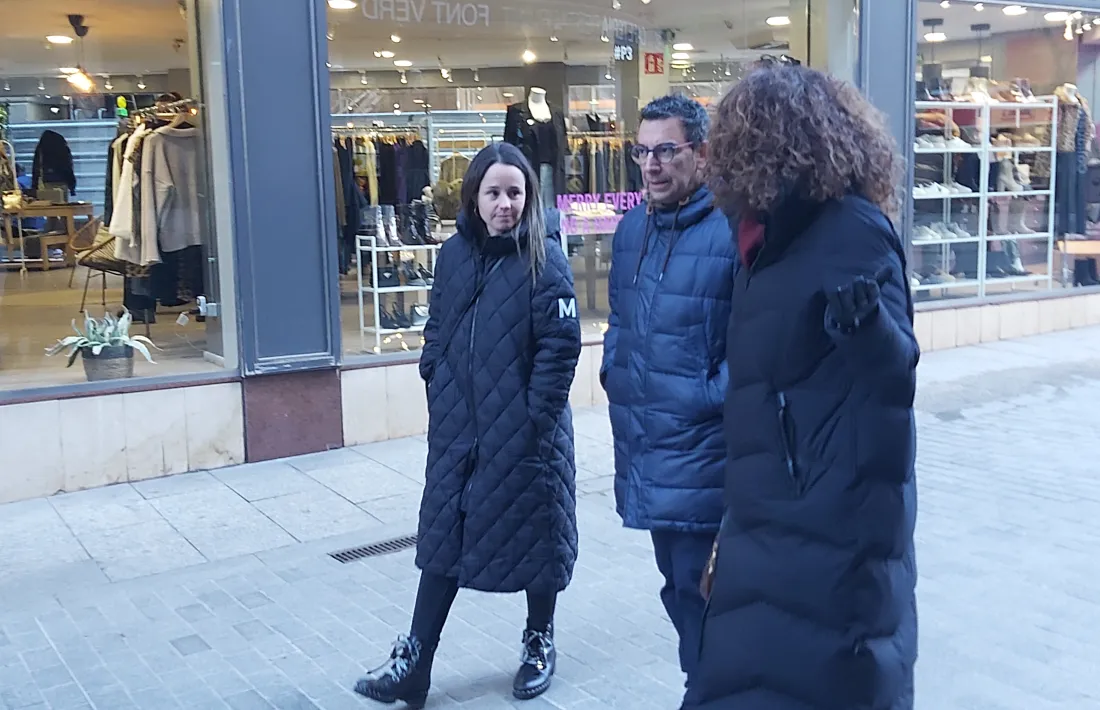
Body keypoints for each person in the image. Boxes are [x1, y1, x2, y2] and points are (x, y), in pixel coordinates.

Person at [690, 63, 919, 709]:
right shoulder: (760, 240)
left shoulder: (849, 228)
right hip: (767, 514)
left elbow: (896, 372)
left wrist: (867, 327)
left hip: (832, 520)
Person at [354, 142, 582, 708]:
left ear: (529, 198)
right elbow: (438, 324)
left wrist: (534, 418)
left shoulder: (543, 257)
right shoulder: (455, 254)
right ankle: (416, 661)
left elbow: (561, 346)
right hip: (460, 430)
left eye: (515, 192)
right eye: (494, 192)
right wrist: (434, 373)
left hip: (528, 432)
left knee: (538, 534)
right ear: (474, 198)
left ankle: (538, 640)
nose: (505, 204)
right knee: (442, 538)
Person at [600, 94, 737, 704]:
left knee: (702, 587)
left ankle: (706, 691)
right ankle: (705, 684)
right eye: (642, 152)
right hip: (647, 444)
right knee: (676, 586)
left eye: (665, 151)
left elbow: (756, 348)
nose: (650, 166)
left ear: (701, 154)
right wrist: (614, 373)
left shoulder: (733, 231)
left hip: (705, 451)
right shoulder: (632, 230)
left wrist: (709, 394)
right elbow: (620, 323)